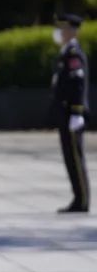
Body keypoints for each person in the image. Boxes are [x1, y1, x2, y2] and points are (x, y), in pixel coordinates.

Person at [52, 13, 89, 213]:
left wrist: (77, 112)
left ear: (72, 32)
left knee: (76, 158)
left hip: (72, 113)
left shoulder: (74, 53)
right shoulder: (66, 52)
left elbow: (78, 84)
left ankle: (82, 200)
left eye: (63, 29)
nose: (60, 32)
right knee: (70, 158)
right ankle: (78, 198)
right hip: (65, 113)